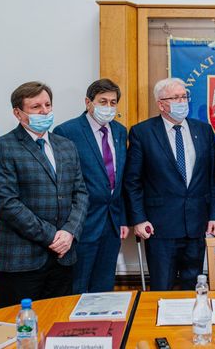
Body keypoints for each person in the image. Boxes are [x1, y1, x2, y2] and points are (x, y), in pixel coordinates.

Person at [0, 81, 88, 307]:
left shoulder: (66, 146)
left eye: (47, 105)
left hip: (63, 257)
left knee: (59, 321)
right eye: (36, 107)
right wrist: (52, 236)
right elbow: (7, 204)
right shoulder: (2, 147)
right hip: (22, 260)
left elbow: (80, 193)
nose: (44, 111)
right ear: (18, 113)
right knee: (21, 324)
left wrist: (69, 232)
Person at [124, 78, 215, 291]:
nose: (182, 101)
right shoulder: (142, 132)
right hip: (160, 227)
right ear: (161, 104)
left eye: (184, 96)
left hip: (196, 225)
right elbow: (133, 181)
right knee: (162, 288)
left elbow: (212, 177)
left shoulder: (203, 130)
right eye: (176, 98)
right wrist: (139, 219)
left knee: (193, 287)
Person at [53, 79, 128, 293]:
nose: (109, 107)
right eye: (103, 101)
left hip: (112, 223)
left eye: (113, 102)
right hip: (81, 224)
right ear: (88, 102)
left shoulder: (120, 131)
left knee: (103, 288)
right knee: (77, 287)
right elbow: (62, 183)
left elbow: (120, 179)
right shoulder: (67, 131)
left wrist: (122, 218)